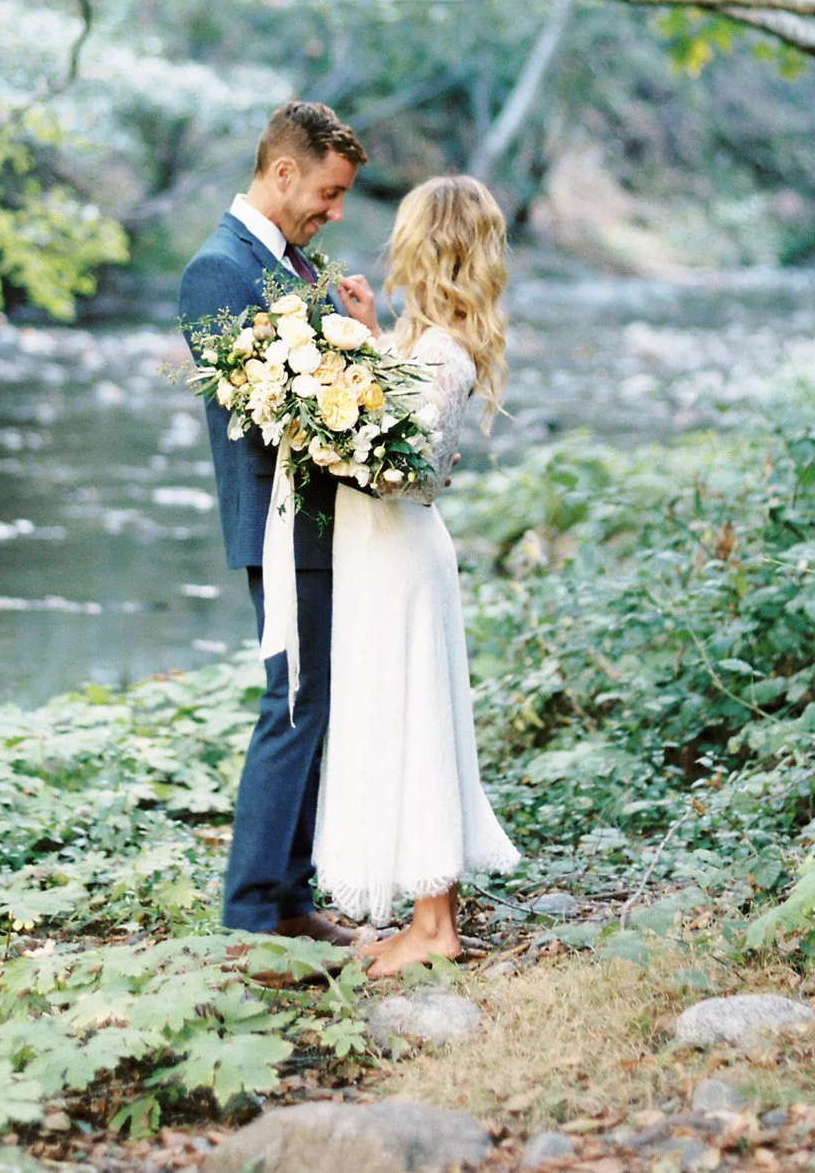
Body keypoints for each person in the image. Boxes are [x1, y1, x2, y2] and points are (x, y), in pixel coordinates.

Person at [179, 101, 376, 944]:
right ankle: (254, 916)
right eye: (329, 192)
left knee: (312, 705)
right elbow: (261, 410)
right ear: (284, 171)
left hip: (325, 519)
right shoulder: (218, 269)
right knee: (291, 704)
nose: (335, 211)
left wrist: (359, 344)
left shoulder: (293, 262)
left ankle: (291, 900)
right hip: (280, 520)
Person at [316, 174, 520, 975]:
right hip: (383, 552)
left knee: (416, 724)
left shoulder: (442, 351)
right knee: (400, 719)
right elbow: (399, 417)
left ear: (429, 247)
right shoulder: (423, 339)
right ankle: (430, 916)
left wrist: (323, 442)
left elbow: (411, 471)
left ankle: (435, 926)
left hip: (400, 555)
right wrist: (369, 335)